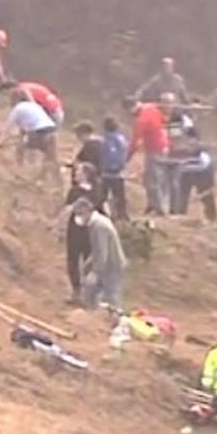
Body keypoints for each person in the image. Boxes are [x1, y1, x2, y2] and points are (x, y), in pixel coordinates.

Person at [76, 198, 126, 310]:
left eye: (80, 214)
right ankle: (93, 313)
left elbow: (102, 252)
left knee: (111, 296)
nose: (78, 218)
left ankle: (114, 320)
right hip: (108, 264)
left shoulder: (99, 226)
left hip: (112, 265)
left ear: (87, 211)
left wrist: (95, 272)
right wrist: (89, 262)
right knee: (91, 290)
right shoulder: (96, 223)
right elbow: (97, 249)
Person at [61, 162, 99, 304]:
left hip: (89, 229)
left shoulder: (95, 191)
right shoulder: (75, 191)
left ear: (86, 175)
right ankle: (76, 291)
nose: (76, 174)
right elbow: (67, 209)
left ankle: (88, 293)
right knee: (73, 261)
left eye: (79, 172)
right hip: (75, 230)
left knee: (88, 262)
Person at [130, 96, 171, 216]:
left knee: (152, 180)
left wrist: (128, 156)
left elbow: (135, 141)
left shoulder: (141, 120)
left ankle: (158, 208)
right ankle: (153, 204)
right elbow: (164, 120)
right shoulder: (151, 106)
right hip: (164, 146)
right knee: (158, 178)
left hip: (154, 149)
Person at [0, 89, 58, 170]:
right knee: (51, 158)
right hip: (52, 131)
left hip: (39, 132)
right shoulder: (35, 105)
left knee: (20, 147)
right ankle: (54, 180)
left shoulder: (17, 109)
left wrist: (1, 142)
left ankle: (19, 168)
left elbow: (8, 128)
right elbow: (24, 129)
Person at [97, 116, 130, 221]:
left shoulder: (104, 140)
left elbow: (103, 155)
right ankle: (122, 216)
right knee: (120, 196)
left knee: (102, 196)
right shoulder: (122, 139)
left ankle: (101, 214)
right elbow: (124, 154)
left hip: (106, 173)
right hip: (119, 173)